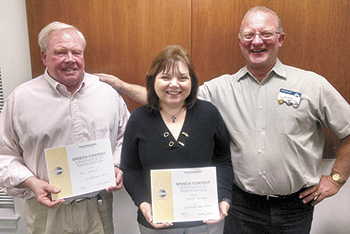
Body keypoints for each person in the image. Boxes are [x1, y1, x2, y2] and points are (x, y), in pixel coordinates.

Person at [97, 6, 350, 234]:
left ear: (280, 39)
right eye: (249, 35)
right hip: (242, 208)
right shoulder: (221, 89)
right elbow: (171, 96)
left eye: (266, 34)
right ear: (240, 42)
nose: (257, 41)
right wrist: (121, 86)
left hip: (295, 208)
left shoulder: (312, 84)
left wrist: (337, 178)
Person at [0, 22, 130, 234]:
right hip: (48, 211)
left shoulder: (107, 94)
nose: (70, 59)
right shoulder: (21, 99)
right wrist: (31, 182)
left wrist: (116, 164)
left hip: (97, 208)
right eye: (60, 52)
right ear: (44, 57)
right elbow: (3, 155)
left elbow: (125, 137)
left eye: (76, 52)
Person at [119, 45, 233, 234]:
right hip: (157, 223)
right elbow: (130, 169)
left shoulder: (209, 113)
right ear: (153, 81)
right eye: (165, 77)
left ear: (192, 82)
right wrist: (143, 204)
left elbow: (223, 162)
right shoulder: (139, 118)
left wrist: (225, 199)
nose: (174, 84)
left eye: (182, 78)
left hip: (206, 222)